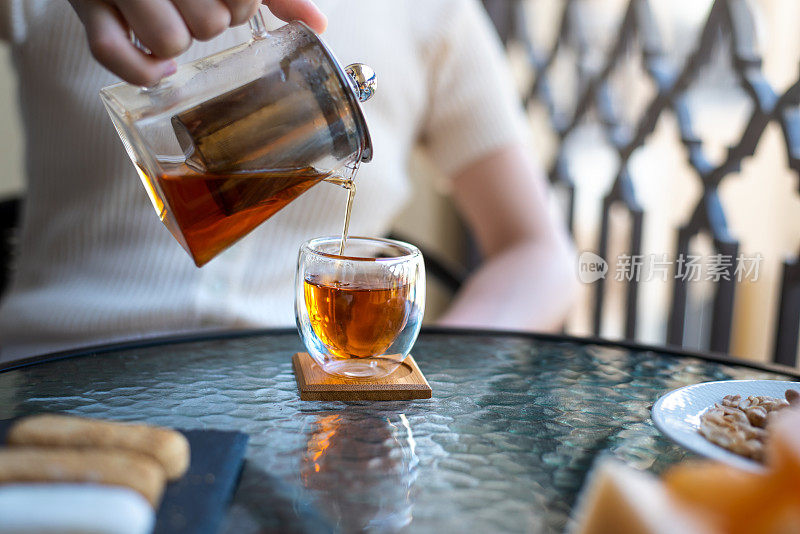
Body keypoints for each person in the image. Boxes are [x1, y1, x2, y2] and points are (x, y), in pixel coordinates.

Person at [0, 0, 577, 361]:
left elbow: (539, 253)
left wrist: (425, 377)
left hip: (305, 407)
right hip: (57, 375)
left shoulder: (430, 11)